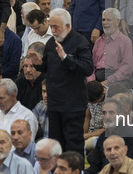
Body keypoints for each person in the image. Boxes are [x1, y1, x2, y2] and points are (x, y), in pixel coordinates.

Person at [27, 8, 93, 152]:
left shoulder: (80, 42)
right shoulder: (51, 42)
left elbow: (88, 69)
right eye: (51, 26)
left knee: (73, 144)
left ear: (67, 26)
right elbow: (48, 68)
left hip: (73, 104)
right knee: (55, 144)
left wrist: (66, 58)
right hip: (54, 103)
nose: (53, 30)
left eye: (56, 27)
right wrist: (39, 63)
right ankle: (57, 173)